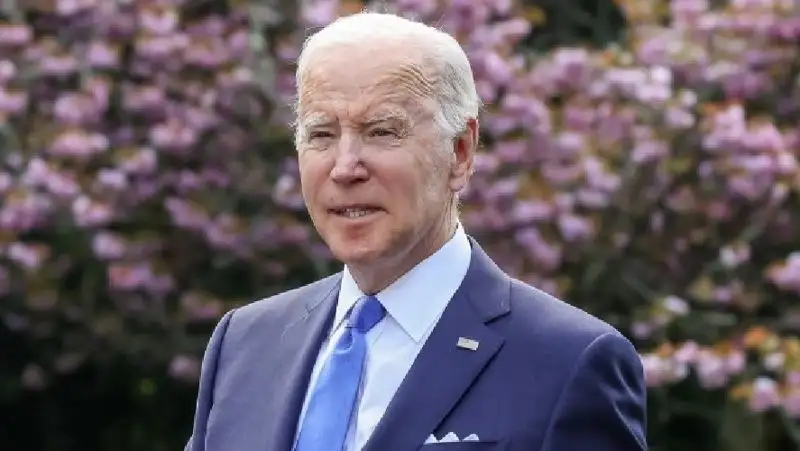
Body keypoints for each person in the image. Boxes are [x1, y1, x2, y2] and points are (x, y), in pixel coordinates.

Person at [184, 11, 647, 451]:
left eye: (382, 132)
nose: (344, 168)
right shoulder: (244, 344)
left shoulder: (567, 362)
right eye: (321, 134)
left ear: (461, 152)